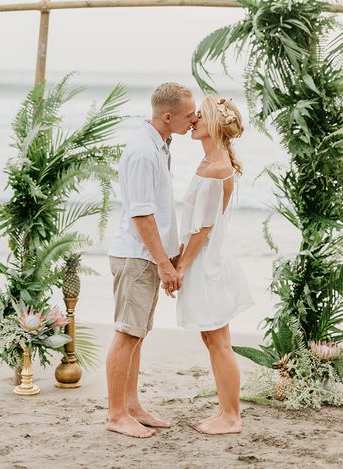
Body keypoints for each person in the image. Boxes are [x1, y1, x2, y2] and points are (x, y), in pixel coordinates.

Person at [106, 82, 198, 438]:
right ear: (168, 115)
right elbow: (141, 215)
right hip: (136, 256)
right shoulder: (144, 152)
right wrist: (163, 263)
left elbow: (157, 211)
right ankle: (116, 414)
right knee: (127, 335)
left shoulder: (161, 145)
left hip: (147, 255)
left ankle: (132, 406)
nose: (194, 120)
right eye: (189, 115)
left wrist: (169, 254)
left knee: (138, 335)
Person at [175, 95, 253, 435]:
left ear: (216, 126)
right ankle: (225, 411)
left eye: (200, 118)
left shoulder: (217, 167)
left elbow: (203, 228)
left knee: (219, 341)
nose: (193, 121)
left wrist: (180, 266)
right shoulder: (209, 162)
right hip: (204, 260)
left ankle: (231, 416)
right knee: (212, 339)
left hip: (209, 265)